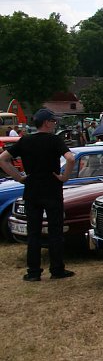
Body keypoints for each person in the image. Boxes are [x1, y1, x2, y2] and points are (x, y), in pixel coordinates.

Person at [0, 109, 75, 281]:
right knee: (55, 231)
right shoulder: (55, 141)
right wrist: (64, 177)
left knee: (33, 232)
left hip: (32, 190)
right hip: (52, 190)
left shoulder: (25, 140)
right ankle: (57, 269)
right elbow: (70, 158)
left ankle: (33, 271)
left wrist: (19, 177)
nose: (55, 124)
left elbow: (3, 159)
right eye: (53, 121)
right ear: (47, 123)